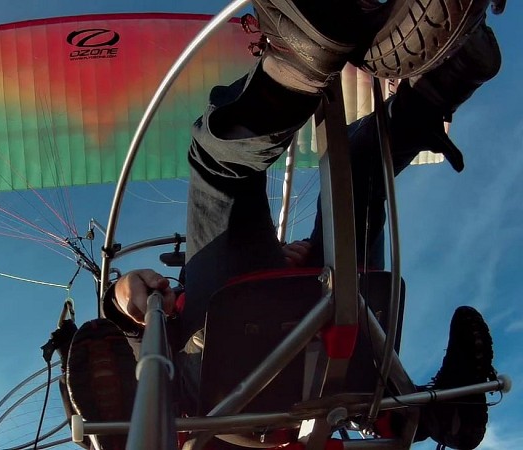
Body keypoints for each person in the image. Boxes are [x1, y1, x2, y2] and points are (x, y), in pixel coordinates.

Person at [65, 1, 502, 449]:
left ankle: (441, 85)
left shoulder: (164, 312)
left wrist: (122, 300)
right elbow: (144, 345)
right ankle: (299, 66)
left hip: (284, 361)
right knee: (221, 168)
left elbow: (133, 328)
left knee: (350, 178)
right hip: (255, 363)